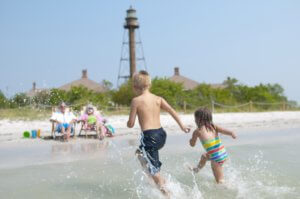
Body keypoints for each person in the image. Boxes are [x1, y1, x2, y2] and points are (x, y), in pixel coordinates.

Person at [127, 70, 190, 196]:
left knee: (153, 168)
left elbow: (131, 124)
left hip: (149, 137)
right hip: (161, 135)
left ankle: (166, 193)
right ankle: (156, 180)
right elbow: (171, 110)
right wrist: (182, 126)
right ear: (149, 85)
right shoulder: (158, 99)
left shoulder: (136, 101)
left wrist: (128, 122)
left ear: (135, 87)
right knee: (139, 153)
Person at [189, 107, 237, 184]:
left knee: (219, 181)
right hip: (222, 153)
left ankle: (228, 189)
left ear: (198, 120)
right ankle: (196, 169)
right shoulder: (214, 126)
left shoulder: (197, 131)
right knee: (204, 156)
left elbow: (192, 144)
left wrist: (191, 140)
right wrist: (232, 133)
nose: (194, 120)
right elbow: (225, 131)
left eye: (195, 118)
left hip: (216, 158)